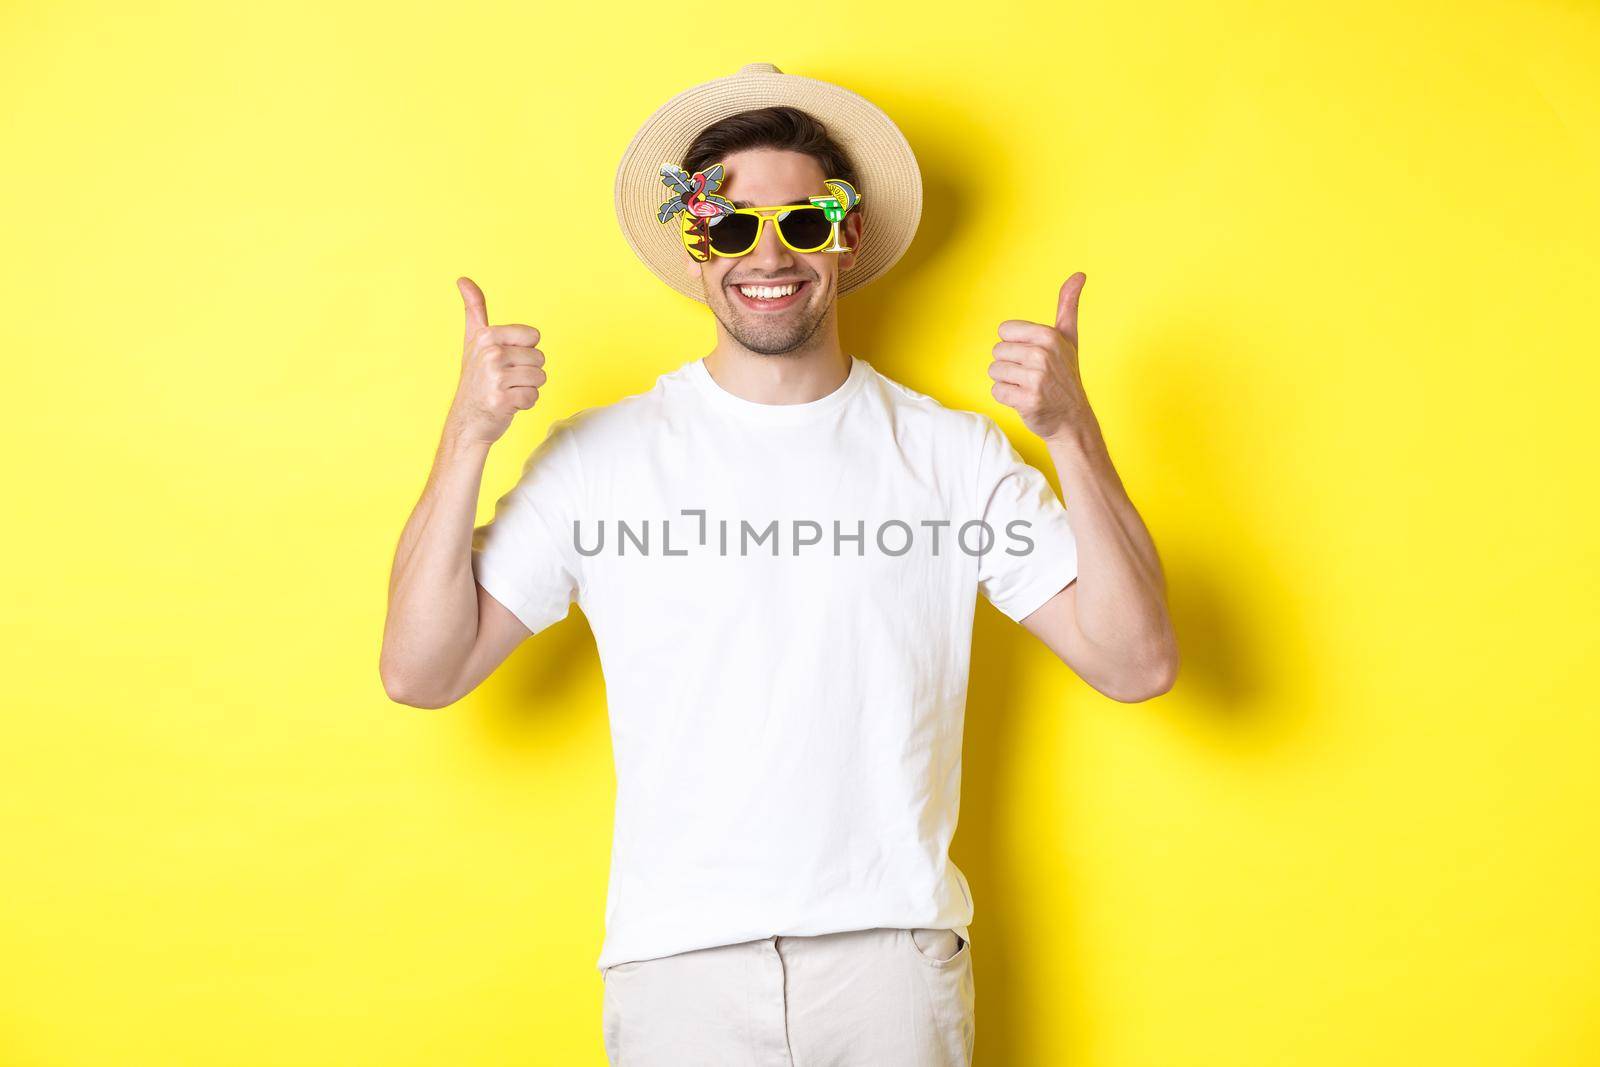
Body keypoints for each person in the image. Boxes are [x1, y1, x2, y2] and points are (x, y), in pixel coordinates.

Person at [380, 62, 1178, 1067]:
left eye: (801, 224)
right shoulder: (601, 460)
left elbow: (1135, 661)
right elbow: (421, 669)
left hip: (891, 960)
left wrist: (1071, 433)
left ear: (841, 240)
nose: (767, 253)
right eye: (730, 225)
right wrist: (466, 437)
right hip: (678, 971)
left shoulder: (950, 455)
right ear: (695, 246)